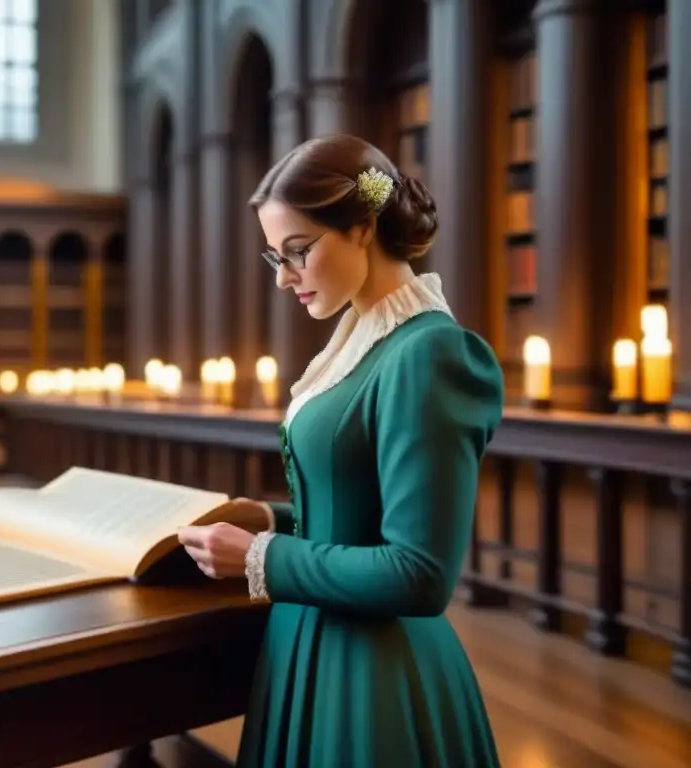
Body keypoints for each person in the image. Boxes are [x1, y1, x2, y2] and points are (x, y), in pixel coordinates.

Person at [177, 134, 504, 766]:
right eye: (274, 258)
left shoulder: (428, 353)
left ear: (362, 226)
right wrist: (269, 519)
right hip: (311, 639)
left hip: (375, 676)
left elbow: (419, 573)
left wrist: (262, 557)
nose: (284, 279)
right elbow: (355, 511)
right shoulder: (360, 339)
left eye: (298, 251)